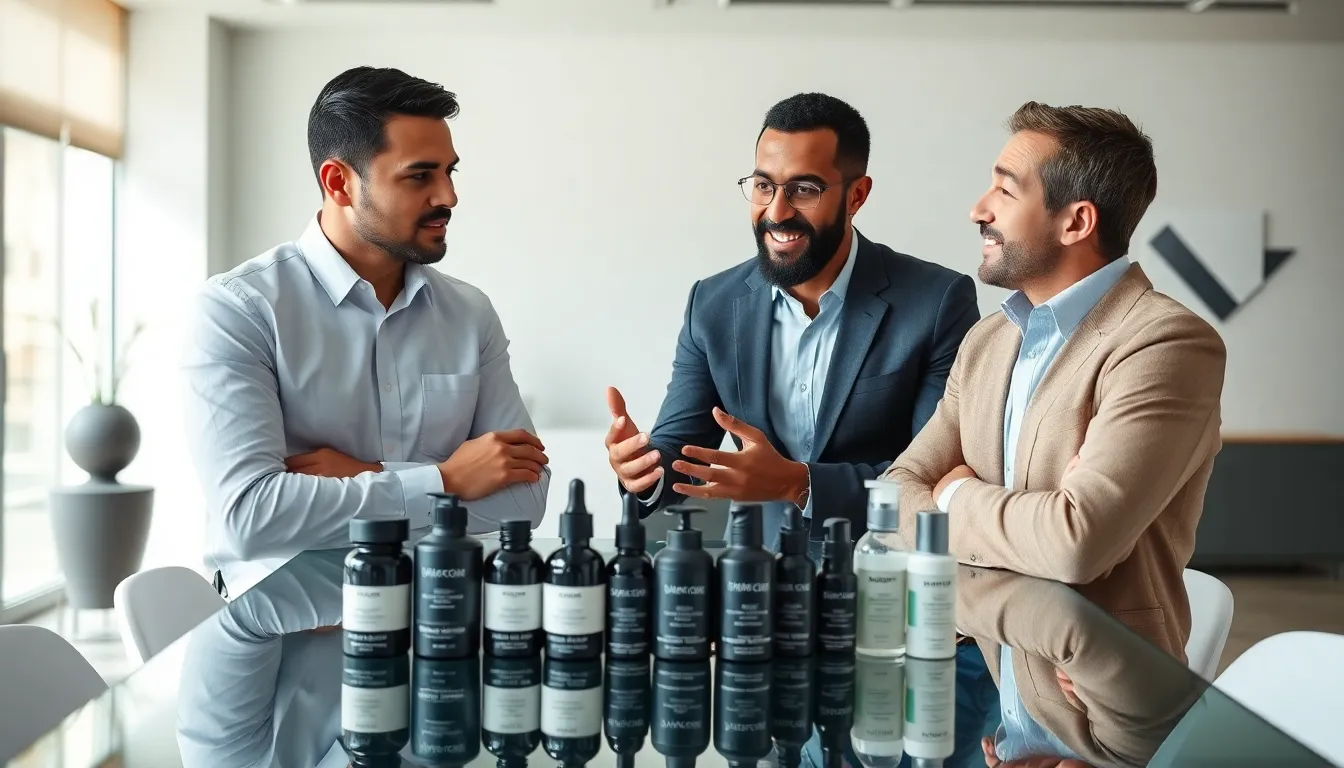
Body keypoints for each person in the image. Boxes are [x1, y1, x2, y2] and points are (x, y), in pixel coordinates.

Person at [884, 101, 1226, 767]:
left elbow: (1075, 542)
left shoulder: (1165, 343)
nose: (978, 209)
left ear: (1077, 220)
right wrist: (973, 516)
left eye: (1006, 190)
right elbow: (895, 498)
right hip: (1007, 728)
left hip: (1107, 739)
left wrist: (954, 500)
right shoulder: (987, 342)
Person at [183, 67, 549, 599]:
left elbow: (525, 500)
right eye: (419, 175)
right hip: (283, 624)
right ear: (339, 182)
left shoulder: (470, 313)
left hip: (437, 612)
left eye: (449, 171)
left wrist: (367, 472)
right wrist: (444, 480)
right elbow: (251, 516)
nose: (448, 195)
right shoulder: (240, 309)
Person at [604, 92, 979, 550]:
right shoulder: (712, 303)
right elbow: (679, 450)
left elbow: (933, 476)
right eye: (764, 186)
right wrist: (641, 469)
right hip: (754, 572)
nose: (777, 212)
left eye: (804, 190)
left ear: (856, 195)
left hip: (882, 567)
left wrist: (800, 484)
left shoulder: (936, 302)